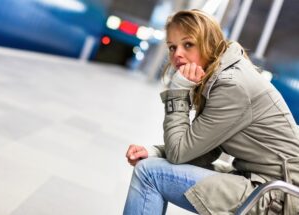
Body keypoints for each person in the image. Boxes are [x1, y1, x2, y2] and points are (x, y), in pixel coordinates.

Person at [123, 9, 299, 215]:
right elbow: (204, 150)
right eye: (172, 47)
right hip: (262, 182)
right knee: (151, 165)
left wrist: (178, 93)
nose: (177, 53)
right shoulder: (221, 76)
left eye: (188, 44)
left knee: (148, 174)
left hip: (280, 196)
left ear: (209, 42)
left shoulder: (232, 85)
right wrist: (154, 152)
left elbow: (179, 153)